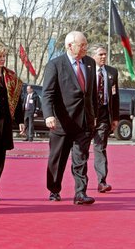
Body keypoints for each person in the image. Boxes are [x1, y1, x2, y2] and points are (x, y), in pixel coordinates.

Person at [42, 31, 97, 205]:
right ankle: (54, 189)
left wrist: (93, 115)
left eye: (86, 44)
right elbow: (47, 93)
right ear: (70, 46)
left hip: (84, 122)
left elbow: (92, 94)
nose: (85, 48)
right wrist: (49, 115)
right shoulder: (55, 65)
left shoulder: (90, 63)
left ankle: (80, 193)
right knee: (57, 159)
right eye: (82, 45)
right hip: (62, 121)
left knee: (81, 158)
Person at [0, 42, 24, 202]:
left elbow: (17, 100)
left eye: (3, 56)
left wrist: (20, 120)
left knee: (0, 158)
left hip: (5, 122)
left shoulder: (11, 76)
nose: (2, 59)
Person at [89, 43, 119, 193]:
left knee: (100, 147)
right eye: (100, 54)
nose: (103, 57)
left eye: (105, 54)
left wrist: (115, 118)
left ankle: (102, 181)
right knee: (80, 150)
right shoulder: (86, 72)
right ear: (93, 56)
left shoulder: (112, 72)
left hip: (103, 115)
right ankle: (80, 185)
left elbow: (115, 95)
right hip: (87, 115)